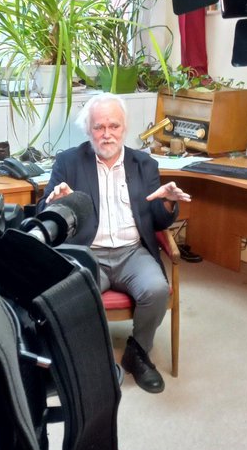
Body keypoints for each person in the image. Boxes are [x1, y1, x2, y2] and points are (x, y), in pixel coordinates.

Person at [40, 92, 191, 394]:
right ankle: (84, 360)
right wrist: (54, 203)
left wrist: (169, 205)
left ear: (124, 128)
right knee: (70, 297)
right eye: (99, 127)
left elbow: (158, 221)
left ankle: (138, 352)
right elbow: (44, 212)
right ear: (88, 130)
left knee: (156, 289)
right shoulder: (69, 162)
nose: (107, 134)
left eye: (114, 126)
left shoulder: (143, 164)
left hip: (132, 252)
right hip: (88, 253)